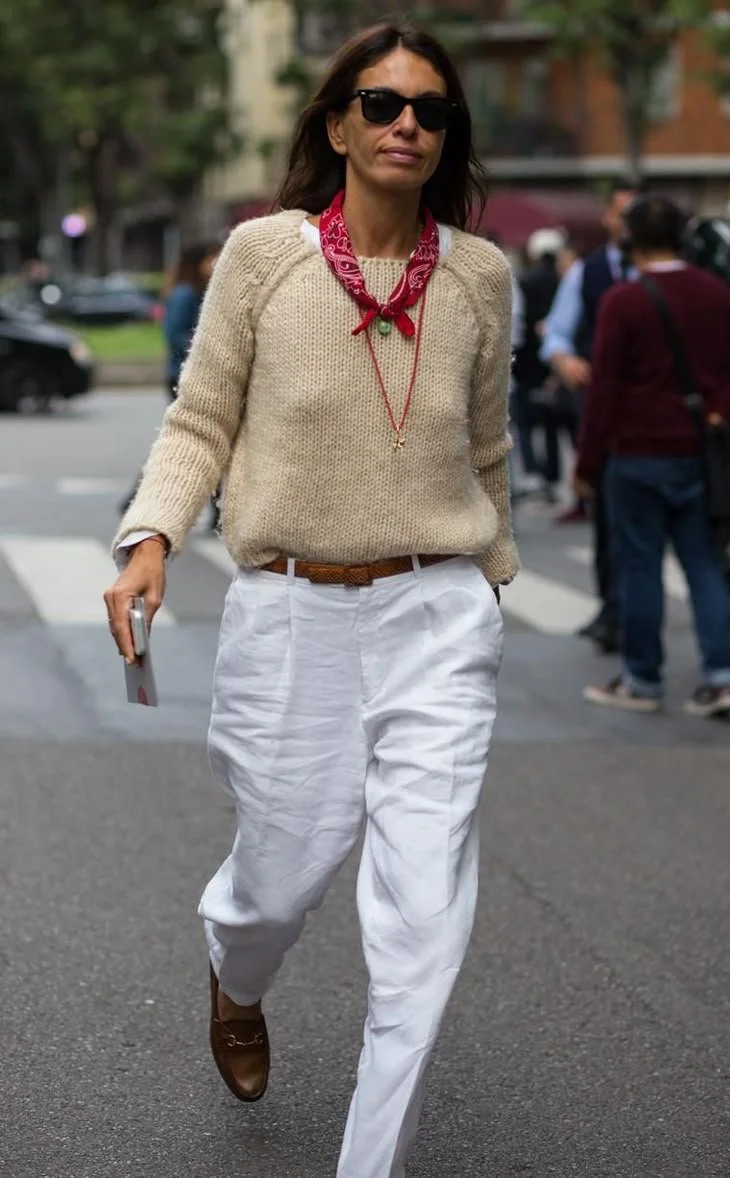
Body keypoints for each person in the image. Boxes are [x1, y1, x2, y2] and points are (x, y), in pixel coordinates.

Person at [104, 21, 518, 1178]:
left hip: (438, 613)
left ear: (447, 138)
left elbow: (487, 451)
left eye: (430, 112)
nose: (405, 126)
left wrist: (492, 577)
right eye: (382, 104)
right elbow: (200, 420)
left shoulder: (480, 276)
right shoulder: (262, 255)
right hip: (291, 612)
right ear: (336, 123)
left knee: (424, 918)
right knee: (276, 878)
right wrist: (151, 538)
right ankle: (238, 977)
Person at [575, 194, 730, 717]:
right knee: (703, 563)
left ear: (631, 241)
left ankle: (643, 678)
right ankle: (721, 674)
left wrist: (587, 464)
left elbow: (604, 392)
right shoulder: (715, 293)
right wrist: (718, 413)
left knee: (640, 566)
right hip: (698, 451)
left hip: (636, 453)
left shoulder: (624, 300)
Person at [542, 180, 642, 653]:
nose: (628, 224)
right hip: (603, 412)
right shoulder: (589, 271)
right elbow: (557, 335)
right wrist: (565, 360)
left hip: (659, 418)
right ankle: (615, 610)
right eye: (621, 214)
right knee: (607, 518)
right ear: (608, 219)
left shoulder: (667, 274)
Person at [118, 242, 220, 519]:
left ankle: (217, 513)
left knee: (199, 443)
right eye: (212, 256)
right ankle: (138, 498)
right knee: (183, 444)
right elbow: (175, 335)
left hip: (187, 375)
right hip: (183, 377)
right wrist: (210, 346)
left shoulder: (194, 290)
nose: (216, 262)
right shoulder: (184, 294)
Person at [512, 227, 567, 501]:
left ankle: (533, 470)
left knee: (524, 422)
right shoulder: (562, 281)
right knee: (551, 423)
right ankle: (553, 473)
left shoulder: (526, 281)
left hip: (527, 364)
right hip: (555, 362)